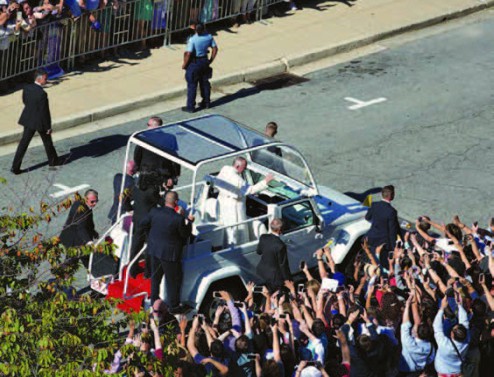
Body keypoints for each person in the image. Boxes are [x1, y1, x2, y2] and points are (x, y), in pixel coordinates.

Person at [141, 191, 194, 313]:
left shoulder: (155, 212)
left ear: (165, 200)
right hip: (170, 254)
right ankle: (174, 306)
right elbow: (185, 234)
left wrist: (150, 237)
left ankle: (154, 299)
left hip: (154, 250)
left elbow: (143, 224)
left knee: (156, 277)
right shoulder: (178, 218)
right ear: (176, 202)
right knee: (173, 280)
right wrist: (189, 222)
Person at [216, 156, 274, 245]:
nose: (245, 169)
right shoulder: (238, 180)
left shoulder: (225, 169)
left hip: (223, 203)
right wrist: (265, 181)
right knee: (239, 230)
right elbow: (250, 190)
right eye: (244, 168)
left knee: (227, 228)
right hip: (234, 208)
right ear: (238, 166)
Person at [11, 69, 59, 174]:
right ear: (40, 78)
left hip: (28, 119)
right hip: (40, 122)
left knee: (23, 144)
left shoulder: (27, 88)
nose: (46, 80)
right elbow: (45, 112)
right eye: (45, 78)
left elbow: (25, 101)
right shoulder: (42, 94)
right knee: (47, 143)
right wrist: (48, 127)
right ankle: (53, 163)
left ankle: (15, 167)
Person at [128, 170, 163, 278]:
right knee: (149, 247)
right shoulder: (151, 191)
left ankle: (133, 269)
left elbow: (128, 200)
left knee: (135, 245)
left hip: (137, 219)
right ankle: (148, 272)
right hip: (149, 223)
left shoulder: (135, 189)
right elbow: (161, 203)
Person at [181, 22, 218, 113]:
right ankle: (206, 102)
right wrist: (210, 60)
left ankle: (190, 107)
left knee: (192, 85)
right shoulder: (209, 36)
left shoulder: (192, 39)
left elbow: (188, 53)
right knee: (204, 83)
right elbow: (215, 48)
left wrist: (184, 64)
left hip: (194, 63)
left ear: (195, 29)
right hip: (204, 61)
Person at [134, 116, 181, 184]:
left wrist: (138, 168)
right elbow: (174, 158)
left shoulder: (143, 137)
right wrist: (176, 174)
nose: (147, 127)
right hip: (164, 173)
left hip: (147, 173)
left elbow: (137, 156)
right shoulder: (170, 137)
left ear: (155, 126)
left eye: (148, 125)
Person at [365, 185, 401, 269]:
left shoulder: (374, 205)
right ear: (391, 196)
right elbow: (392, 231)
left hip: (371, 237)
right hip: (383, 242)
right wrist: (393, 247)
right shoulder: (391, 211)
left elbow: (367, 217)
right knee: (381, 264)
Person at [256, 218, 291, 293]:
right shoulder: (281, 245)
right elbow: (283, 265)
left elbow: (259, 251)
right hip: (274, 276)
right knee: (275, 295)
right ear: (280, 229)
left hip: (262, 271)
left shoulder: (263, 237)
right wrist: (287, 279)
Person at [107, 160, 136, 224]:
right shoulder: (133, 183)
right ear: (134, 170)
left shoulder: (117, 177)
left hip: (116, 209)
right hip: (125, 211)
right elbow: (133, 198)